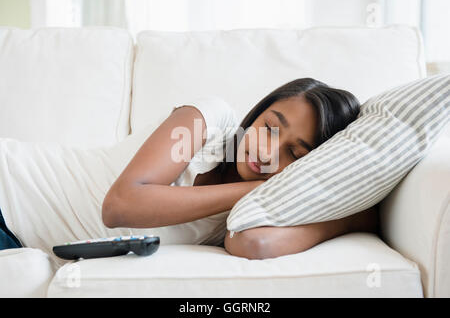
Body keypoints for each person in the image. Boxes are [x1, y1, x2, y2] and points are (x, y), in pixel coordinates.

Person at [101, 77, 379, 260]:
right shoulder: (209, 121)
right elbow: (119, 206)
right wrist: (256, 187)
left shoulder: (259, 210)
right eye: (269, 128)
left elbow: (255, 245)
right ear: (258, 112)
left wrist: (348, 219)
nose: (267, 152)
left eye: (294, 153)